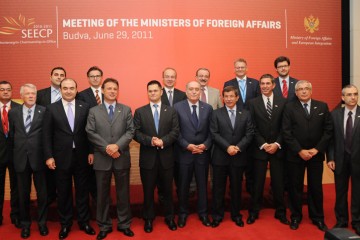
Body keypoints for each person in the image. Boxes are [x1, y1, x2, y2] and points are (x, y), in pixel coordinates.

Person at [43, 78, 95, 239]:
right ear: (60, 90)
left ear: (76, 89)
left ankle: (84, 222)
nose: (68, 91)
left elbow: (90, 133)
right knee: (63, 192)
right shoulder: (51, 109)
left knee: (82, 191)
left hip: (82, 156)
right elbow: (46, 135)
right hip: (60, 157)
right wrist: (49, 156)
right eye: (65, 88)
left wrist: (92, 152)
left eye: (72, 88)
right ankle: (65, 224)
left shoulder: (85, 107)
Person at [86, 78, 134, 240]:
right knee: (102, 195)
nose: (112, 91)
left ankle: (124, 224)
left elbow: (130, 132)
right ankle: (104, 226)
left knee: (123, 194)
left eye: (115, 88)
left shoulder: (126, 110)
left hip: (121, 157)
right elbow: (90, 132)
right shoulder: (94, 111)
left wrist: (116, 146)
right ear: (103, 91)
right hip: (102, 158)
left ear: (117, 91)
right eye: (109, 88)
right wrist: (107, 148)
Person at [282, 80, 333, 231]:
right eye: (300, 89)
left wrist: (317, 149)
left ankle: (317, 217)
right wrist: (300, 150)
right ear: (296, 93)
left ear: (311, 91)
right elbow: (286, 132)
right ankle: (296, 216)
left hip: (316, 155)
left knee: (315, 187)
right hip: (295, 154)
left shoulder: (322, 106)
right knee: (295, 187)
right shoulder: (289, 107)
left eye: (306, 89)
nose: (304, 91)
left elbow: (328, 130)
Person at [133, 80, 179, 233]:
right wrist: (151, 141)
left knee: (167, 190)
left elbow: (175, 131)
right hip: (148, 159)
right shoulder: (140, 111)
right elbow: (135, 133)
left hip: (167, 158)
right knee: (148, 191)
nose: (152, 93)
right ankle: (148, 219)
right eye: (150, 91)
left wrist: (163, 141)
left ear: (161, 92)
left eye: (155, 90)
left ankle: (170, 217)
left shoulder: (170, 111)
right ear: (147, 93)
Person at [247, 74, 289, 225]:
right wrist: (264, 144)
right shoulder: (252, 103)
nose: (264, 86)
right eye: (262, 84)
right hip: (259, 149)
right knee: (257, 183)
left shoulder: (283, 102)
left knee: (278, 183)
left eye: (267, 83)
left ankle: (281, 212)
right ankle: (254, 211)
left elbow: (285, 127)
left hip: (278, 149)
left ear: (273, 85)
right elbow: (251, 126)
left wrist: (277, 144)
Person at [210, 86, 254, 228]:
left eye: (231, 96)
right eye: (226, 96)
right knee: (218, 189)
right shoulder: (216, 113)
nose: (228, 99)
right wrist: (227, 147)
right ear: (222, 98)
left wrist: (238, 147)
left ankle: (236, 215)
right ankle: (217, 216)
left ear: (237, 97)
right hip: (220, 156)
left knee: (236, 188)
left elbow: (249, 133)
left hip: (238, 157)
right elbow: (214, 133)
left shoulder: (246, 114)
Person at [8, 84, 48, 238]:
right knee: (23, 194)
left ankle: (42, 223)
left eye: (33, 93)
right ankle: (25, 225)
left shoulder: (43, 111)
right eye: (28, 94)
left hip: (39, 159)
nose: (31, 96)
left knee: (42, 194)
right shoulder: (14, 113)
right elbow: (12, 136)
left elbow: (47, 136)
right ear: (22, 95)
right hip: (20, 159)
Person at [174, 81, 213, 228]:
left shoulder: (208, 108)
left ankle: (203, 214)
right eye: (191, 89)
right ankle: (183, 214)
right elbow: (175, 131)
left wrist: (205, 145)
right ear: (186, 91)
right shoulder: (177, 107)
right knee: (183, 186)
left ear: (200, 91)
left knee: (202, 186)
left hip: (202, 153)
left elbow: (212, 131)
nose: (194, 92)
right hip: (184, 154)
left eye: (197, 89)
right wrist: (187, 145)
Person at [327, 84, 360, 235]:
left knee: (357, 192)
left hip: (358, 160)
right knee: (340, 191)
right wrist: (331, 157)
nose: (353, 97)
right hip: (339, 159)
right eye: (349, 95)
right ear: (342, 97)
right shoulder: (335, 115)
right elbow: (330, 139)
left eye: (355, 94)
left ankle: (357, 221)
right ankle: (341, 220)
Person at [223, 58, 260, 194]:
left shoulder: (255, 83)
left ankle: (250, 187)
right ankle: (234, 188)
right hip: (235, 126)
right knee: (235, 161)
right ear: (234, 69)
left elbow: (257, 104)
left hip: (251, 125)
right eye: (237, 67)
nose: (240, 69)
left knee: (250, 160)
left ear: (246, 68)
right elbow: (227, 103)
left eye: (242, 67)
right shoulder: (228, 83)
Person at [36, 67, 67, 205]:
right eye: (56, 75)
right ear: (50, 77)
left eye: (62, 75)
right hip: (46, 138)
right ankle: (50, 197)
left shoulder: (72, 94)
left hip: (65, 140)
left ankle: (62, 197)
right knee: (48, 172)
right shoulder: (40, 94)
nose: (59, 77)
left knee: (63, 173)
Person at [77, 66, 105, 205]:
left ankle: (102, 197)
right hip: (89, 141)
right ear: (88, 78)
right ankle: (94, 197)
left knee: (104, 172)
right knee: (91, 173)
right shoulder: (81, 95)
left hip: (107, 141)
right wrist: (90, 150)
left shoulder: (108, 92)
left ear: (101, 77)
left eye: (97, 75)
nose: (95, 78)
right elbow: (83, 123)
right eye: (92, 76)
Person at [159, 67, 186, 202]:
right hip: (163, 141)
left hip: (180, 140)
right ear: (162, 78)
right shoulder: (157, 93)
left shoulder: (182, 95)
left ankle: (181, 196)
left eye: (172, 76)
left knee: (180, 172)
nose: (170, 79)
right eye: (167, 76)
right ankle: (163, 196)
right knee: (163, 173)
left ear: (176, 79)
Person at [0, 81, 20, 228]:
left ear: (12, 91)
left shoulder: (20, 108)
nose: (5, 92)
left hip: (16, 155)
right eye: (2, 90)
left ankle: (16, 216)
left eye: (8, 89)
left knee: (17, 188)